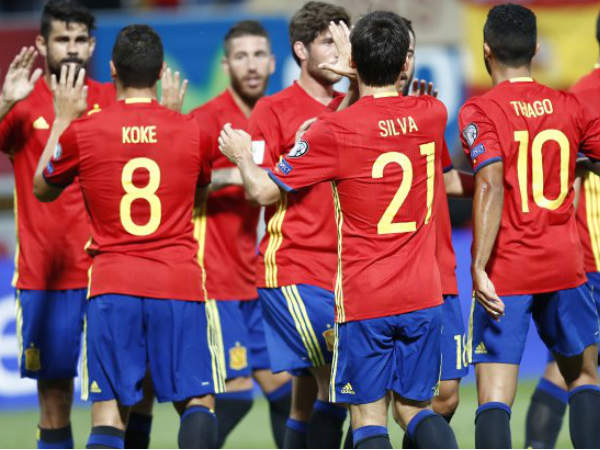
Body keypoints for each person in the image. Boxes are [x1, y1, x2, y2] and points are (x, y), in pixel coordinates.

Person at [219, 10, 459, 449]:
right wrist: (362, 69)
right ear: (405, 62)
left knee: (365, 416)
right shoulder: (432, 112)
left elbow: (263, 190)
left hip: (363, 294)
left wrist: (240, 155)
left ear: (354, 61)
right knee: (413, 411)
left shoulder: (334, 128)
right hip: (423, 293)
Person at [32, 24, 224, 449]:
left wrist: (63, 119)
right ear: (160, 74)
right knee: (198, 400)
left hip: (113, 285)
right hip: (178, 284)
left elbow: (42, 188)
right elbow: (199, 191)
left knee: (109, 410)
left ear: (113, 69)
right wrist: (173, 118)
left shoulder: (84, 132)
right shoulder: (193, 131)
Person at [459, 4, 600, 448]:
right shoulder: (570, 105)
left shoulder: (480, 111)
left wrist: (479, 266)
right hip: (566, 262)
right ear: (537, 49)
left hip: (510, 267)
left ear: (486, 51)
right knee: (583, 376)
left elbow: (490, 183)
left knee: (494, 393)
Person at [217, 3, 351, 448]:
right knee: (339, 385)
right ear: (300, 50)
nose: (341, 51)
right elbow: (259, 188)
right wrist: (253, 158)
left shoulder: (356, 106)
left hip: (348, 270)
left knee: (304, 398)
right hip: (296, 267)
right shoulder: (272, 112)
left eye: (344, 40)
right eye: (329, 42)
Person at [0, 1, 114, 447]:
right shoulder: (24, 104)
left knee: (117, 395)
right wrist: (6, 99)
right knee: (54, 399)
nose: (71, 49)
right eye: (62, 39)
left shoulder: (110, 100)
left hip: (108, 273)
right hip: (45, 275)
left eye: (80, 40)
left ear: (91, 45)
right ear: (42, 43)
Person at [190, 20, 292, 448]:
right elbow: (180, 185)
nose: (251, 65)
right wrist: (232, 173)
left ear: (273, 62)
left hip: (265, 279)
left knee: (287, 390)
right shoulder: (206, 119)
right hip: (217, 278)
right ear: (226, 64)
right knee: (234, 395)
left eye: (258, 55)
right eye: (241, 56)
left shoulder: (279, 116)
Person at [524, 9, 600, 448]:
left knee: (566, 365)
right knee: (578, 370)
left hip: (585, 260)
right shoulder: (580, 100)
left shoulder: (578, 97)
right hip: (591, 259)